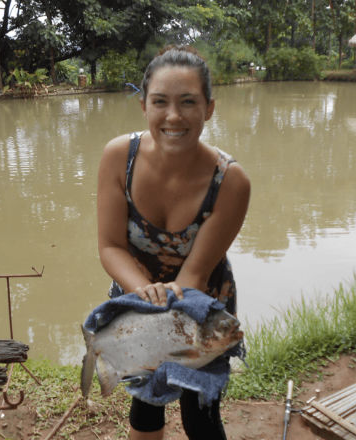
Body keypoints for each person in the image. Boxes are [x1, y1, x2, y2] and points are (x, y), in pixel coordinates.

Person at [96, 45, 250, 440]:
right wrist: (142, 291)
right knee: (146, 403)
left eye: (188, 102)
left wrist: (169, 309)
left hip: (200, 300)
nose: (173, 116)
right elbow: (111, 246)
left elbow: (195, 271)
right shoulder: (118, 157)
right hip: (137, 292)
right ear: (144, 106)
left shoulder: (231, 182)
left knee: (201, 410)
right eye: (160, 102)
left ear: (209, 108)